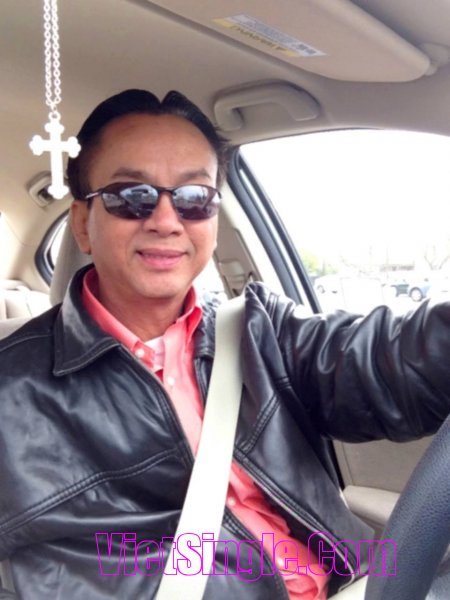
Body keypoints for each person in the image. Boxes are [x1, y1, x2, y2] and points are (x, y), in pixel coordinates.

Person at [0, 89, 449, 600]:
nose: (166, 220)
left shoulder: (259, 331)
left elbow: (390, 360)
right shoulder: (12, 391)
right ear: (83, 223)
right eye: (132, 196)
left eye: (194, 199)